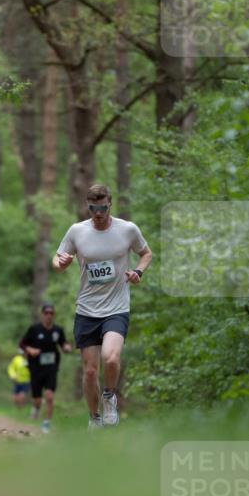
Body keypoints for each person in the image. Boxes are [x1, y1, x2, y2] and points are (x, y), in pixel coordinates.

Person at [52, 183, 152, 428]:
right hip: (86, 308)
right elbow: (57, 258)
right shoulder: (77, 231)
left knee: (110, 358)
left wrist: (138, 271)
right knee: (89, 371)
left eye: (103, 208)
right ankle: (94, 417)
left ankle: (109, 397)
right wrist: (61, 262)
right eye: (93, 208)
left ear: (110, 205)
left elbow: (146, 253)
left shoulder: (127, 229)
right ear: (88, 206)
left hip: (117, 307)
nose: (98, 214)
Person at [20, 303, 71, 433]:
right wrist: (30, 349)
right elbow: (22, 343)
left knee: (49, 395)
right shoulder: (34, 329)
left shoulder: (58, 330)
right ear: (42, 314)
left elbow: (63, 343)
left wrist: (66, 347)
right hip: (35, 367)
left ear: (54, 315)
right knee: (37, 399)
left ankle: (46, 423)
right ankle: (36, 408)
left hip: (51, 367)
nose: (49, 315)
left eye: (51, 313)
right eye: (46, 313)